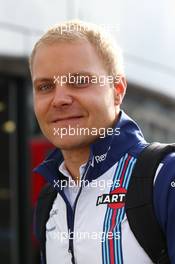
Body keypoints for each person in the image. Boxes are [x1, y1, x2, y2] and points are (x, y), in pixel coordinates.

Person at [29, 20, 175, 264]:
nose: (59, 99)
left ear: (117, 90)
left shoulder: (165, 177)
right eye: (45, 86)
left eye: (79, 81)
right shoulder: (49, 199)